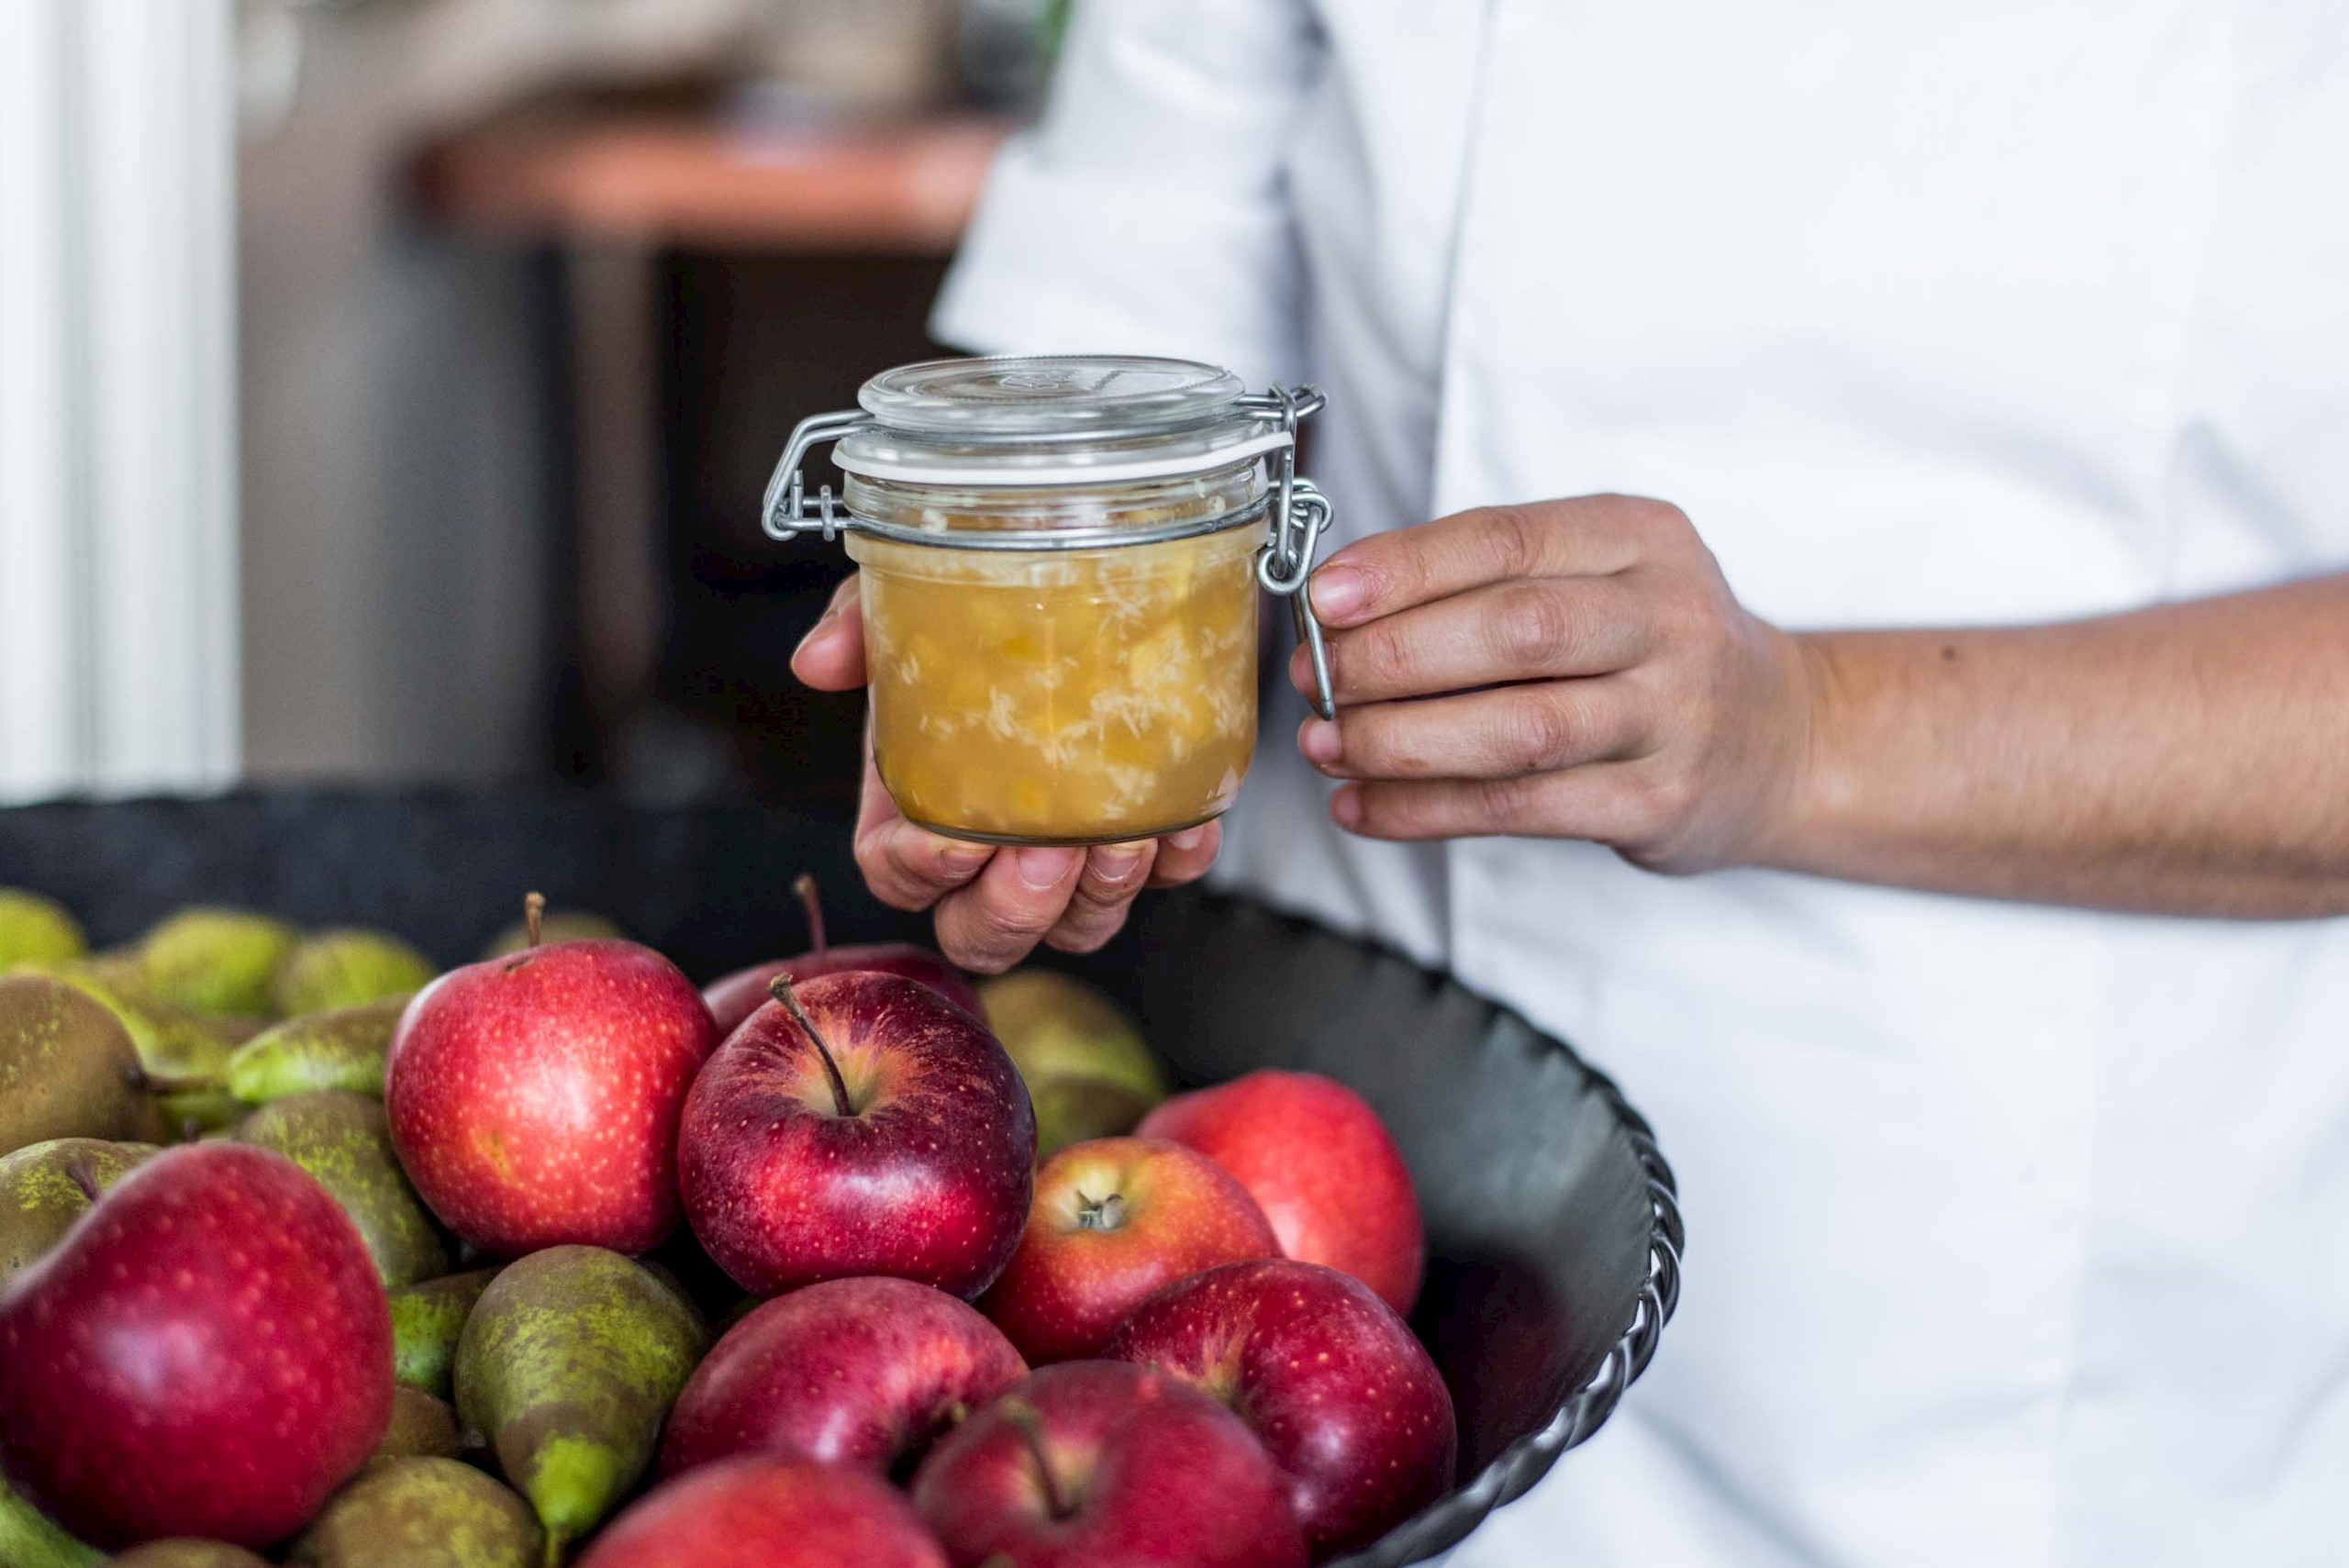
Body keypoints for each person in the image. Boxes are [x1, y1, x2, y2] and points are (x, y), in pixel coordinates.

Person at [789, 5, 2349, 1564]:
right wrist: (1011, 560)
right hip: (1330, 1182)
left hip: (2012, 1337)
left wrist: (1804, 729)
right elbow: (1134, 295)